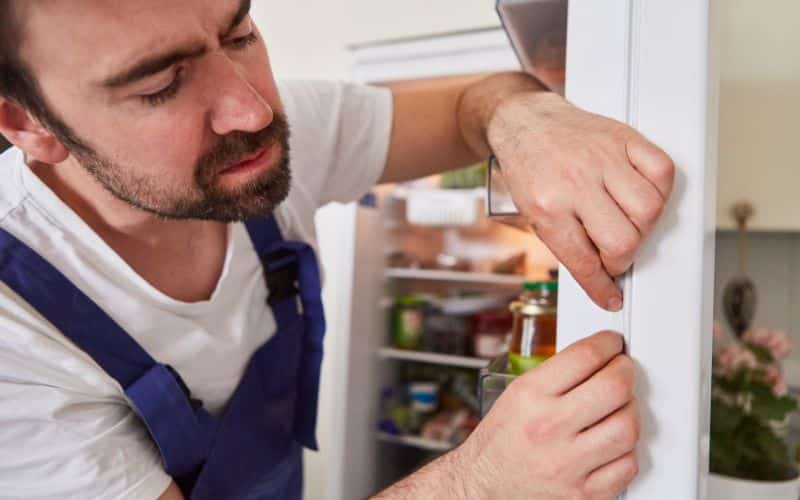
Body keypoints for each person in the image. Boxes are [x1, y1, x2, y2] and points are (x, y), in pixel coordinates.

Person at [0, 1, 674, 499]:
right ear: (28, 124)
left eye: (239, 33)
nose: (254, 109)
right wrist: (480, 482)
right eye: (159, 85)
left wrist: (526, 120)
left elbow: (475, 100)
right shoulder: (14, 326)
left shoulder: (271, 135)